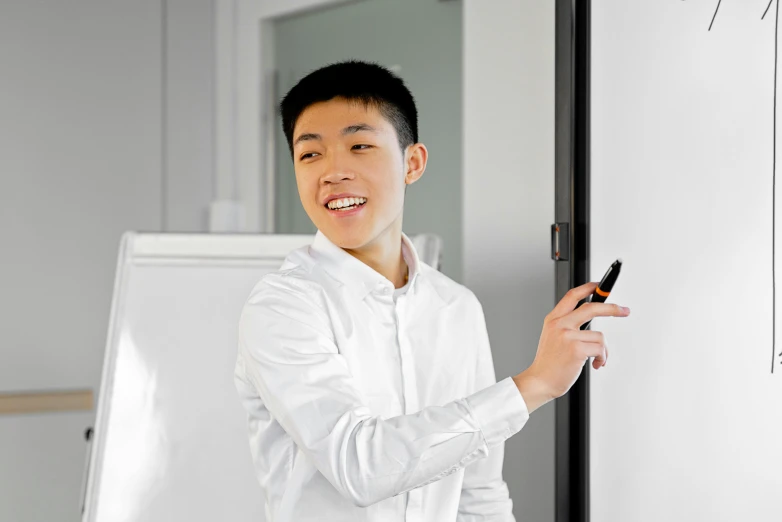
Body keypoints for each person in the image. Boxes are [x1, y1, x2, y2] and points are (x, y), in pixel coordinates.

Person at [234, 60, 630, 521]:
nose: (333, 171)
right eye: (310, 154)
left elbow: (478, 494)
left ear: (412, 162)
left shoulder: (456, 307)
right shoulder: (284, 306)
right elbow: (359, 467)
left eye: (359, 145)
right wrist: (533, 384)